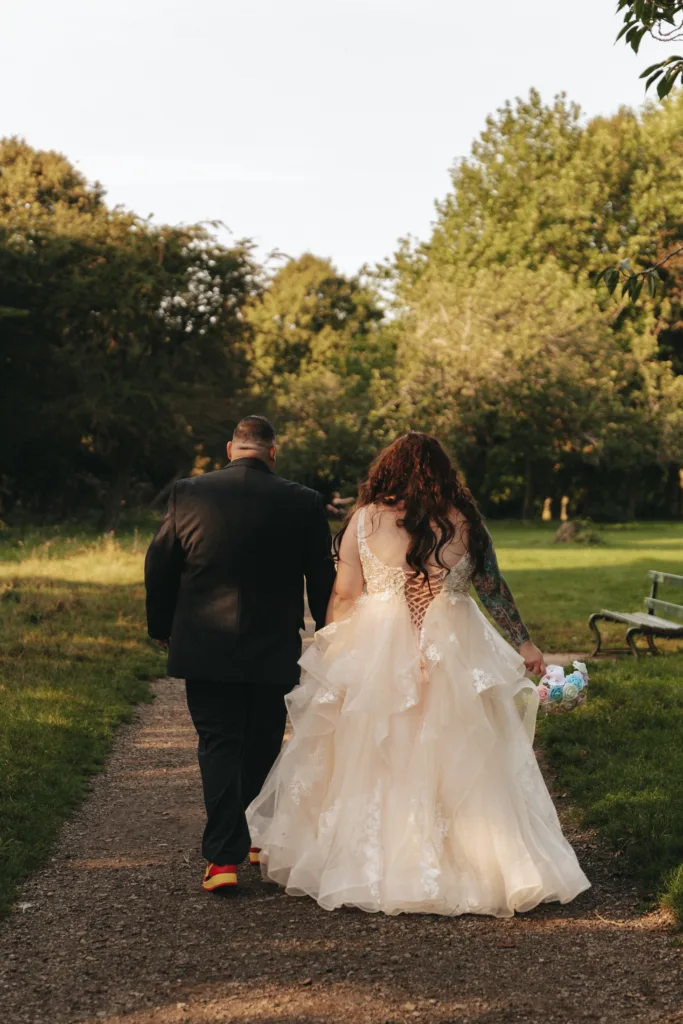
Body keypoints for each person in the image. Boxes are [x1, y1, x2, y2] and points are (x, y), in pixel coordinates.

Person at [247, 432, 590, 917]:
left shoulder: (364, 520)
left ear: (386, 470)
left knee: (376, 747)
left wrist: (332, 650)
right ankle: (475, 863)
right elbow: (491, 587)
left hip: (378, 643)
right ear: (444, 473)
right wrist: (525, 643)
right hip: (451, 644)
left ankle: (381, 863)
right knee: (460, 746)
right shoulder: (464, 520)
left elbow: (345, 593)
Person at [144, 415, 336, 893]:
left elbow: (160, 562)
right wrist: (332, 635)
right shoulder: (305, 502)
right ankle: (252, 837)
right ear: (273, 452)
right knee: (265, 738)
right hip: (273, 643)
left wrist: (162, 625)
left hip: (205, 642)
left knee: (219, 742)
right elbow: (322, 576)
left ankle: (223, 860)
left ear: (231, 449)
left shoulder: (188, 492)